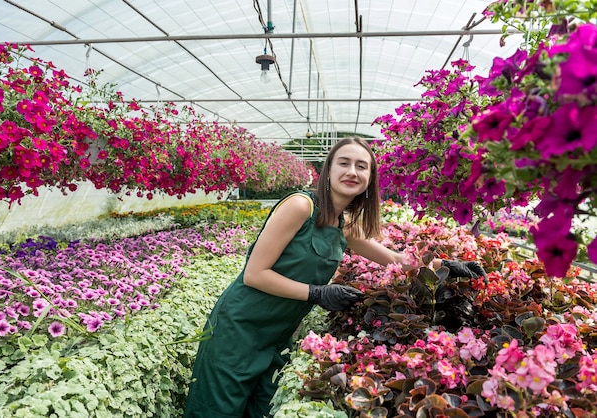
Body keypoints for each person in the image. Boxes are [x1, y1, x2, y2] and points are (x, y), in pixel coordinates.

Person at [183, 136, 486, 418]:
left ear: (369, 180)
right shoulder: (301, 206)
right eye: (344, 163)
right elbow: (254, 275)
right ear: (327, 170)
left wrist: (444, 265)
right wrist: (317, 294)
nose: (352, 171)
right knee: (217, 411)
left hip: (276, 337)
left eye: (361, 166)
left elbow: (395, 260)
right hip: (237, 331)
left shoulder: (344, 224)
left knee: (260, 410)